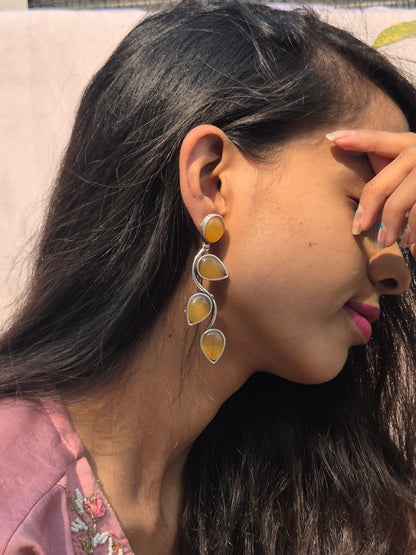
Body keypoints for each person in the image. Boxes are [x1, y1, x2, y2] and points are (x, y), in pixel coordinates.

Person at [1, 0, 416, 552]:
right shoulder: (15, 498)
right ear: (212, 180)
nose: (397, 275)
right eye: (366, 205)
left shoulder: (276, 503)